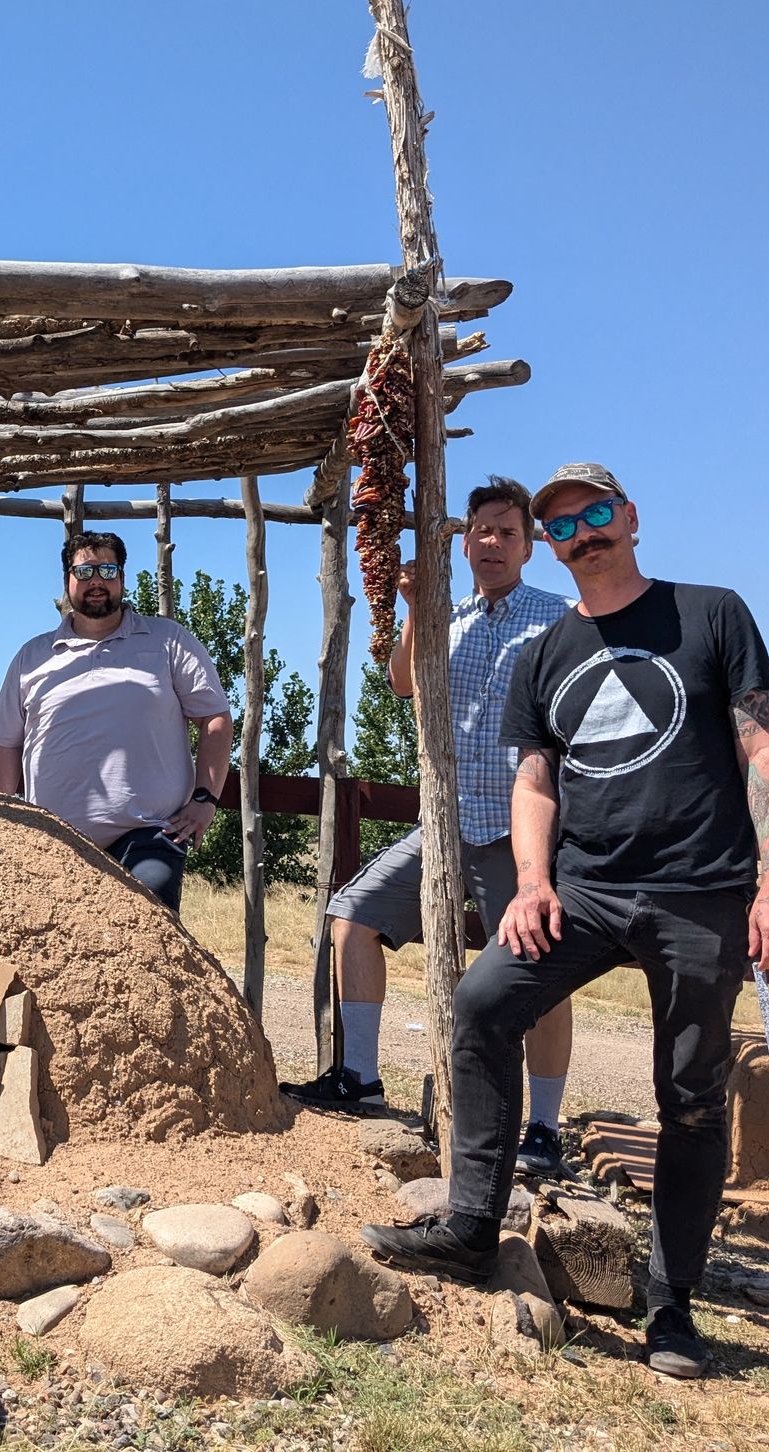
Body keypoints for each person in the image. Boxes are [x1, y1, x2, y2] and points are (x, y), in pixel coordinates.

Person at [360, 462, 769, 1381]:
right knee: (483, 1002)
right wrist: (531, 882)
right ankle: (472, 1225)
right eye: (563, 525)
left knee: (687, 1096)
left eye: (595, 515)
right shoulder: (547, 650)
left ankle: (673, 1305)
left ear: (631, 518)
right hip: (586, 891)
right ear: (550, 544)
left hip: (701, 888)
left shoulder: (712, 613)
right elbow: (535, 779)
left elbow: (758, 738)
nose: (583, 534)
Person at [285, 477, 579, 1180]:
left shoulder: (562, 619)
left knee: (541, 973)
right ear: (464, 538)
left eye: (508, 532)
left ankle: (543, 1128)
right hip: (445, 825)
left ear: (530, 546)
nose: (492, 543)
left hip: (520, 832)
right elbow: (402, 682)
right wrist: (417, 610)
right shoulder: (451, 615)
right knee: (352, 915)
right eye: (481, 530)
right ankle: (360, 1077)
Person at [0, 531, 231, 913]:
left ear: (122, 578)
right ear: (67, 580)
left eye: (107, 569)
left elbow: (215, 718)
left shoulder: (168, 641)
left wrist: (205, 800)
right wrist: (0, 823)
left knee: (147, 931)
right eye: (84, 571)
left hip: (149, 832)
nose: (96, 581)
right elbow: (6, 746)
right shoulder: (32, 657)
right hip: (52, 839)